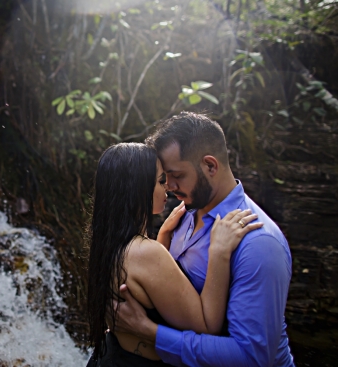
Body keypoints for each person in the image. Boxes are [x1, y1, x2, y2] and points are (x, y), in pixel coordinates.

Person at [113, 112, 295, 366]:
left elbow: (251, 358)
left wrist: (149, 332)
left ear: (210, 166)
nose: (169, 186)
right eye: (165, 177)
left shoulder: (259, 243)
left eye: (177, 175)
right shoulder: (185, 214)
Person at [86, 142, 263, 366]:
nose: (168, 187)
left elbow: (148, 288)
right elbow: (207, 326)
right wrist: (219, 252)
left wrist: (162, 238)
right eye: (161, 181)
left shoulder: (109, 243)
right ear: (138, 189)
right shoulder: (146, 253)